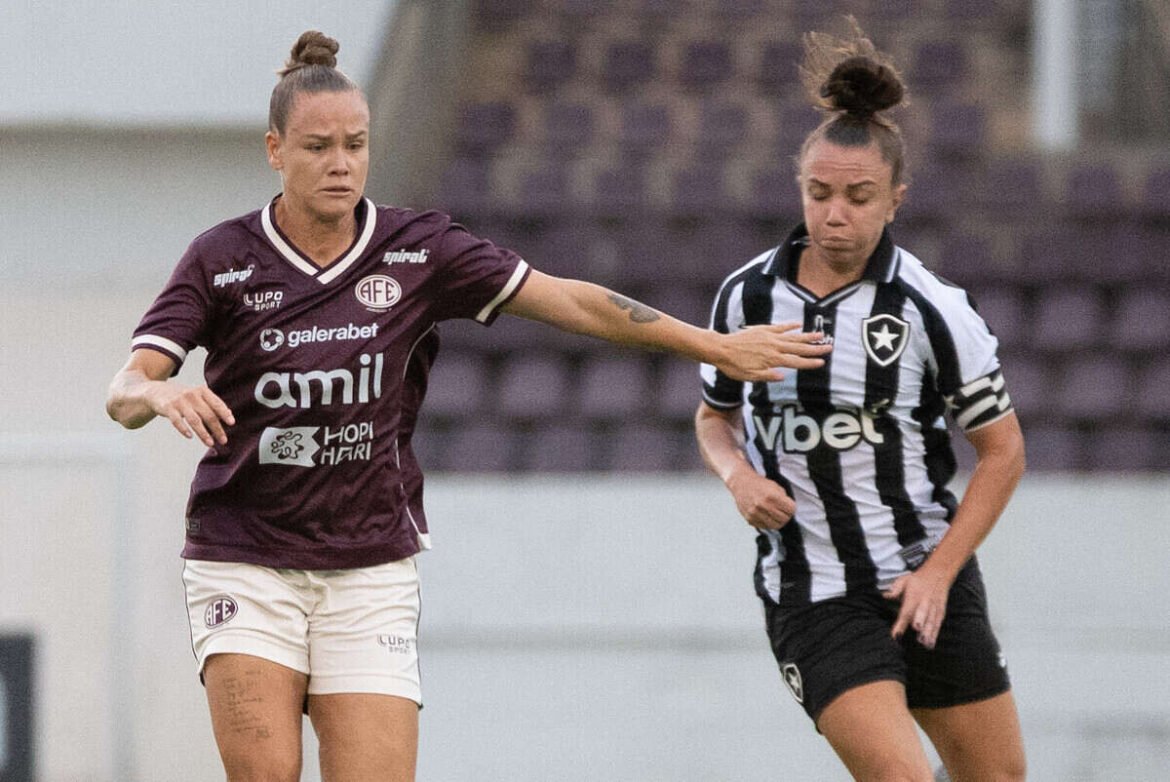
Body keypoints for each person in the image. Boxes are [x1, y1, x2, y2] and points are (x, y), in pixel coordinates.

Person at [104, 30, 829, 782]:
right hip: (244, 560)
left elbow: (574, 303)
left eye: (356, 143)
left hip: (368, 567)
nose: (342, 162)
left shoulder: (420, 248)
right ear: (274, 150)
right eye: (318, 146)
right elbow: (123, 391)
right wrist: (159, 390)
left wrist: (713, 346)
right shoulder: (222, 257)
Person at [694, 20, 1027, 782]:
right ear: (800, 188)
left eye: (857, 196)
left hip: (924, 576)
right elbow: (715, 419)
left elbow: (1003, 452)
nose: (835, 213)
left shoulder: (931, 308)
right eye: (819, 193)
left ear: (895, 200)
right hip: (815, 592)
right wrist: (737, 476)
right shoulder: (746, 297)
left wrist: (940, 573)